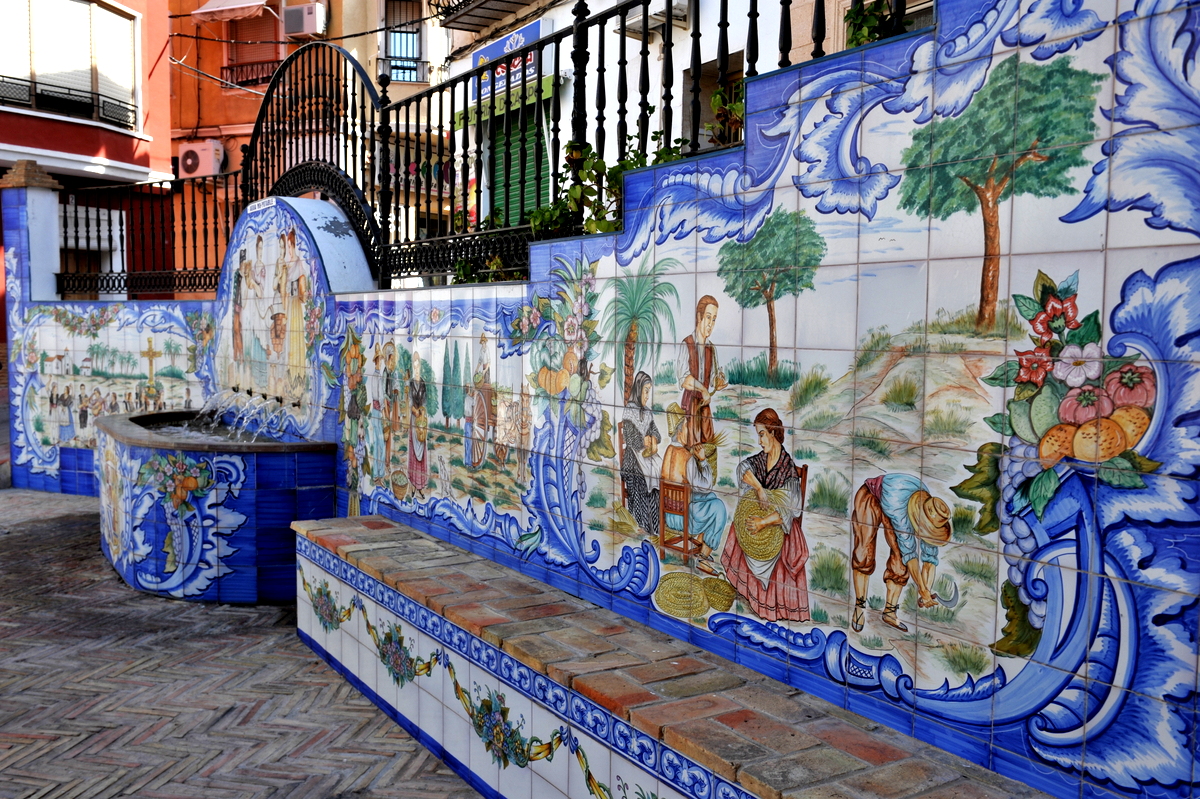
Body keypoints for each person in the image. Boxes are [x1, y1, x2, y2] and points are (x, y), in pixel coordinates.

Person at [720, 408, 810, 622]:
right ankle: (748, 593)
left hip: (779, 525)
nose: (759, 441)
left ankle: (768, 606)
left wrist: (763, 522)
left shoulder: (787, 468)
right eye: (758, 435)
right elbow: (742, 469)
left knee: (762, 531)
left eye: (762, 434)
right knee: (739, 524)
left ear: (773, 432)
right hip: (762, 516)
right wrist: (760, 489)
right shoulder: (762, 460)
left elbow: (792, 510)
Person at [850, 473, 951, 632]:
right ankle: (859, 606)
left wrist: (926, 590)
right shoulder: (900, 514)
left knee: (899, 561)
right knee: (864, 551)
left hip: (896, 503)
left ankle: (890, 612)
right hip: (872, 495)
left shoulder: (931, 513)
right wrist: (922, 589)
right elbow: (910, 556)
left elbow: (930, 560)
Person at [660, 402, 727, 573]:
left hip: (669, 515)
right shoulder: (686, 457)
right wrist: (703, 460)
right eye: (686, 427)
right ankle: (703, 558)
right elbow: (705, 486)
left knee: (711, 498)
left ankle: (702, 546)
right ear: (680, 431)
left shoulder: (668, 451)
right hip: (684, 520)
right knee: (719, 507)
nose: (689, 431)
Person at [676, 295, 725, 449]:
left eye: (714, 319)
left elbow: (713, 379)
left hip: (704, 407)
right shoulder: (687, 344)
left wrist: (718, 382)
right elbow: (684, 379)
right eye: (708, 317)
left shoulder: (712, 349)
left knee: (708, 448)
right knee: (691, 448)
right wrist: (703, 390)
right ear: (699, 317)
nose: (711, 324)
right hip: (690, 406)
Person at [621, 371, 662, 538]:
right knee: (641, 481)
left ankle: (656, 526)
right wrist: (642, 440)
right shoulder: (629, 411)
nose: (647, 395)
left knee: (659, 476)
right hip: (632, 459)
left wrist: (653, 438)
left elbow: (656, 433)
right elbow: (629, 438)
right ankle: (642, 525)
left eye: (648, 391)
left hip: (647, 458)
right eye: (645, 391)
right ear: (638, 390)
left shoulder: (647, 412)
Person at [407, 352, 429, 501]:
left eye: (417, 366)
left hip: (421, 420)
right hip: (414, 420)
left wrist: (421, 411)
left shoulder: (423, 384)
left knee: (421, 451)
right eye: (414, 366)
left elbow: (425, 402)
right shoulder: (410, 384)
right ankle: (414, 486)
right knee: (414, 453)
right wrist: (414, 410)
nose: (416, 369)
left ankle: (420, 486)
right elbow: (409, 401)